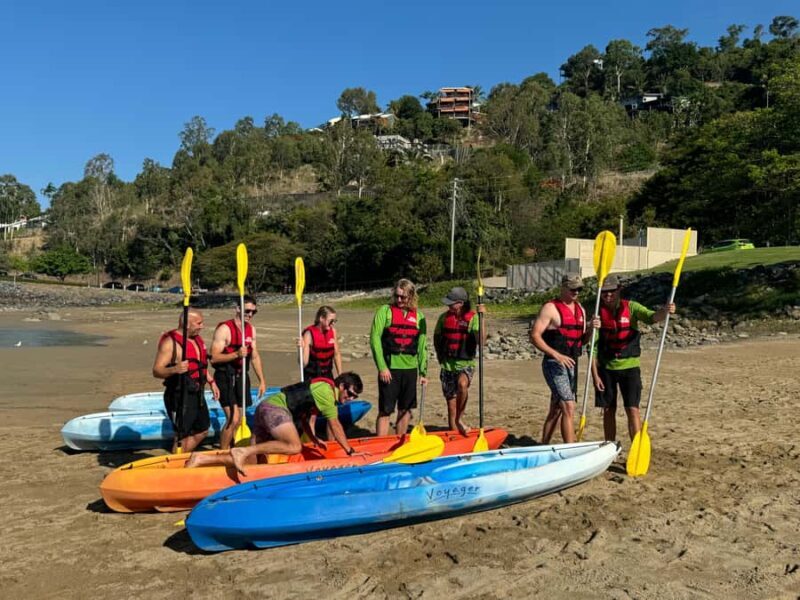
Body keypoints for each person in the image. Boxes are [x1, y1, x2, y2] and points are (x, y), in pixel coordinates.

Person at [185, 372, 364, 475]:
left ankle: (201, 458)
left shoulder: (321, 390)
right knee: (294, 446)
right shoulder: (327, 392)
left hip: (264, 409)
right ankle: (243, 450)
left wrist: (314, 439)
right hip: (275, 410)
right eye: (350, 394)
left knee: (254, 464)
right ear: (341, 386)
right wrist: (350, 451)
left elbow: (303, 416)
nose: (350, 399)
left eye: (354, 397)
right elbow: (335, 425)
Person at [590, 275, 676, 442]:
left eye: (612, 292)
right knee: (608, 409)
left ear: (619, 290)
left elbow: (652, 317)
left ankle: (636, 448)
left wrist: (665, 311)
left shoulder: (631, 307)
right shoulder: (597, 314)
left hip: (630, 368)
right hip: (606, 369)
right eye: (605, 292)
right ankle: (609, 446)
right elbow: (592, 348)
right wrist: (595, 375)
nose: (608, 296)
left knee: (632, 409)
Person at [530, 274, 594, 444]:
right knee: (568, 406)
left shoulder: (580, 309)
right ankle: (570, 448)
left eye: (579, 289)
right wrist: (556, 354)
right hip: (554, 365)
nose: (576, 292)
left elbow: (582, 341)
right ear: (563, 287)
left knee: (557, 408)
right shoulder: (550, 308)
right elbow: (535, 336)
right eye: (573, 288)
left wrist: (591, 330)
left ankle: (543, 444)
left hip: (572, 364)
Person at [152, 308, 218, 453]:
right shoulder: (170, 343)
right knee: (181, 435)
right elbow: (156, 371)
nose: (202, 326)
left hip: (197, 392)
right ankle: (177, 462)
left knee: (202, 430)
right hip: (179, 395)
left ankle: (181, 457)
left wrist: (211, 382)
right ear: (187, 324)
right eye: (199, 323)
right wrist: (174, 369)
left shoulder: (197, 339)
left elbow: (200, 365)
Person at [369, 278, 428, 436]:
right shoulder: (385, 311)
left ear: (411, 296)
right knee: (386, 410)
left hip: (410, 369)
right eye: (397, 296)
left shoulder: (419, 316)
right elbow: (375, 339)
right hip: (390, 369)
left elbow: (422, 346)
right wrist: (382, 367)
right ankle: (380, 444)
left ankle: (400, 442)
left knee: (405, 410)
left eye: (403, 297)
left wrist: (423, 372)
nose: (399, 300)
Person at [210, 295, 267, 450]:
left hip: (242, 377)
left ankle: (232, 448)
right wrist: (235, 354)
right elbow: (214, 358)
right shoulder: (224, 329)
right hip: (225, 377)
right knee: (233, 419)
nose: (250, 315)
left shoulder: (251, 329)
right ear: (238, 309)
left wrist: (261, 380)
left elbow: (254, 356)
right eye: (247, 311)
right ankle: (223, 452)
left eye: (253, 312)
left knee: (240, 419)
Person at [433, 286, 486, 435]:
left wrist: (482, 318)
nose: (448, 306)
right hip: (447, 365)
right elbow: (437, 337)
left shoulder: (473, 318)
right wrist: (439, 355)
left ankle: (460, 419)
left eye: (451, 303)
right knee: (451, 407)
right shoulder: (444, 318)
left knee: (462, 384)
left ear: (461, 303)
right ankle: (454, 434)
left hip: (466, 363)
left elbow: (481, 341)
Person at [300, 305, 342, 381]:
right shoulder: (308, 334)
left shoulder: (333, 331)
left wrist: (340, 375)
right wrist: (299, 348)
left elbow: (337, 354)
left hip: (327, 374)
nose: (333, 323)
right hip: (311, 376)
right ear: (321, 318)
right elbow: (303, 363)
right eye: (331, 321)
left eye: (335, 321)